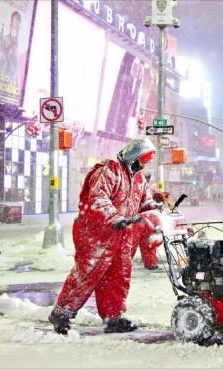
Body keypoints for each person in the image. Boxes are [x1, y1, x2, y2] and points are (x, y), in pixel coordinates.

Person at [48, 138, 161, 335]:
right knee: (88, 273)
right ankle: (62, 313)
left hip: (122, 232)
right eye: (142, 160)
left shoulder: (140, 178)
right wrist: (115, 217)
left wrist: (153, 208)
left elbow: (143, 203)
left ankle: (113, 318)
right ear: (133, 157)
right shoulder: (110, 170)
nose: (144, 165)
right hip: (97, 231)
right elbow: (98, 198)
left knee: (118, 275)